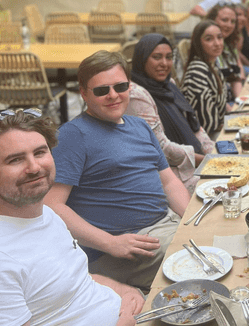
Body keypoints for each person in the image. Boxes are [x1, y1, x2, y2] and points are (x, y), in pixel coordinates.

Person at [45, 51, 190, 292]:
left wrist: (192, 221)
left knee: (222, 234)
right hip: (124, 247)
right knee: (208, 261)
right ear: (83, 93)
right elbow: (52, 206)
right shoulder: (73, 135)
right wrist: (110, 243)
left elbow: (169, 183)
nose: (113, 95)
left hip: (166, 225)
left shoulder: (140, 126)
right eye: (102, 90)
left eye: (121, 86)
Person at [0, 109, 143, 326]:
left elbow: (76, 282)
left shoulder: (45, 214)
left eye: (39, 152)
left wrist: (124, 290)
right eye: (15, 160)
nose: (34, 167)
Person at [126, 34, 214, 193]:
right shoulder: (137, 96)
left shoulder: (169, 84)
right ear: (142, 59)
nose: (164, 64)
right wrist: (208, 161)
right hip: (172, 173)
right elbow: (162, 148)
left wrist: (212, 150)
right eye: (157, 57)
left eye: (169, 57)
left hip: (194, 159)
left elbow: (193, 125)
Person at [181, 20, 228, 139]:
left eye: (219, 37)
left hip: (217, 130)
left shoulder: (211, 65)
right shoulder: (198, 71)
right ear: (198, 43)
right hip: (206, 139)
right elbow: (207, 125)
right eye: (209, 39)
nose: (217, 43)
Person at [206, 2, 245, 100]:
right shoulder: (205, 47)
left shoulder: (229, 45)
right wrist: (229, 108)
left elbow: (235, 78)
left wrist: (240, 100)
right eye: (224, 20)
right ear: (212, 20)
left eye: (233, 21)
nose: (229, 25)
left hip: (230, 99)